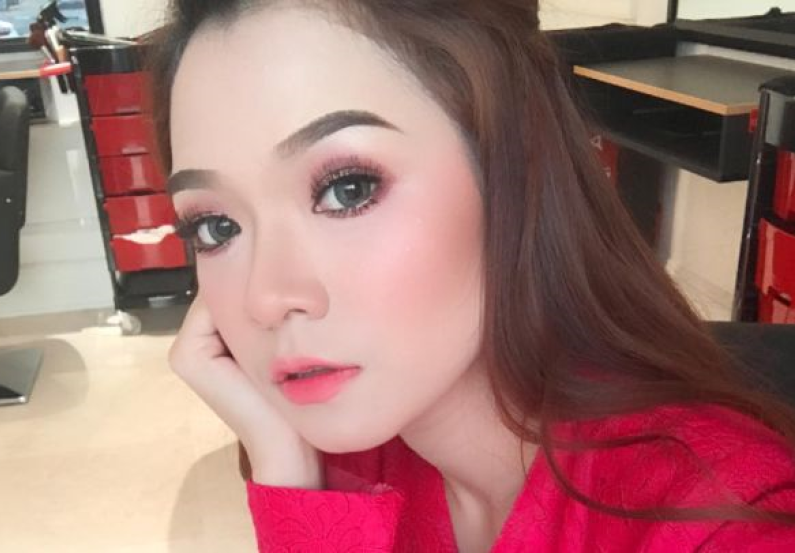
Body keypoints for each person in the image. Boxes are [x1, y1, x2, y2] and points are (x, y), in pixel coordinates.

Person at [151, 1, 795, 550]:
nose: (267, 298)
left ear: (510, 170)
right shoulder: (352, 458)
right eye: (216, 226)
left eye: (348, 189)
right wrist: (287, 473)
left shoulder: (722, 521)